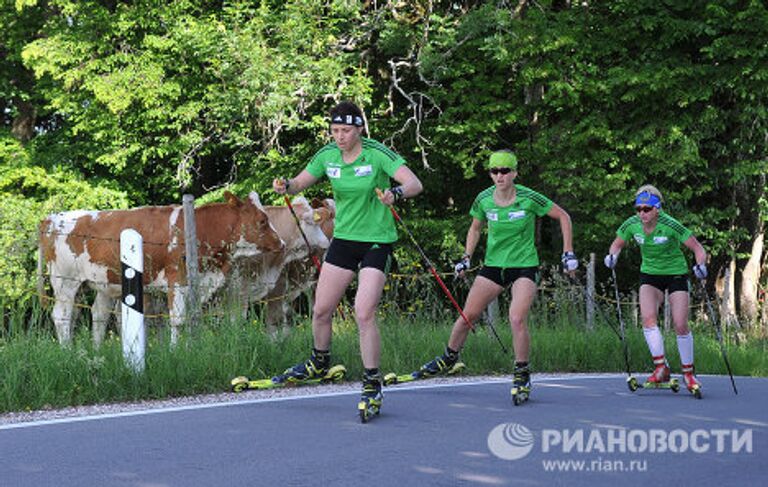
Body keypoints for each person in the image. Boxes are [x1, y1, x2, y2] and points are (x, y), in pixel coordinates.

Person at [273, 100, 423, 418]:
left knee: (363, 312)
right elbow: (300, 182)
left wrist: (394, 194)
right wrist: (286, 186)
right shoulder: (328, 155)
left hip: (376, 242)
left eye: (345, 131)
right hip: (343, 241)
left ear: (359, 129)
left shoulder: (377, 153)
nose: (339, 137)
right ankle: (319, 361)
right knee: (321, 309)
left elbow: (414, 183)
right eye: (335, 130)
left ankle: (371, 382)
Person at [413, 149, 577, 405]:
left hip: (524, 266)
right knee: (467, 316)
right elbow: (475, 228)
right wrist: (466, 257)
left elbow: (563, 217)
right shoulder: (483, 199)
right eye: (494, 171)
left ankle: (522, 372)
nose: (499, 176)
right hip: (494, 265)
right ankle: (449, 357)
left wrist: (568, 253)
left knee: (516, 317)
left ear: (514, 173)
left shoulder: (528, 197)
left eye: (504, 171)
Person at [604, 184, 708, 395]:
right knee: (648, 318)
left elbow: (697, 248)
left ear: (657, 208)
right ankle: (661, 367)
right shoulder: (631, 224)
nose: (642, 213)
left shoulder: (670, 225)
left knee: (680, 323)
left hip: (675, 274)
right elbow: (617, 244)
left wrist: (700, 265)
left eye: (647, 209)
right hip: (650, 274)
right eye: (638, 209)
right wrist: (612, 256)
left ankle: (688, 372)